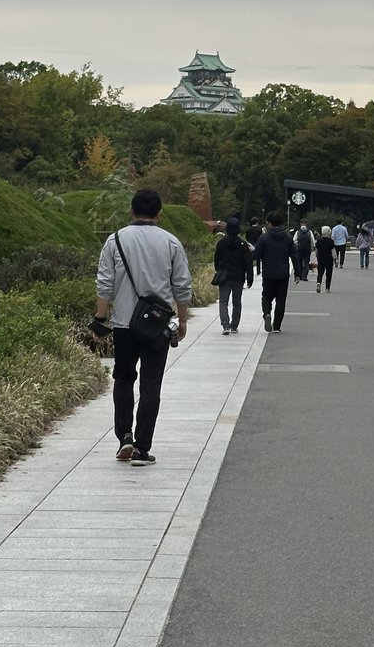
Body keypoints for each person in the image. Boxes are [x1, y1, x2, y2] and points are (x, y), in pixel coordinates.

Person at [93, 189, 192, 465]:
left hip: (124, 324)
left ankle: (124, 435)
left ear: (131, 211)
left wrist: (101, 319)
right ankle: (141, 448)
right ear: (159, 213)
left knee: (123, 378)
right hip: (157, 325)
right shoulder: (171, 242)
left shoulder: (115, 240)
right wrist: (182, 320)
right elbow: (182, 286)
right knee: (151, 384)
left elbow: (104, 283)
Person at [254, 211, 299, 333]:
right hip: (283, 273)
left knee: (266, 296)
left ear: (269, 223)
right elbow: (294, 255)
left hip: (268, 272)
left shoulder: (264, 237)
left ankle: (267, 313)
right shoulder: (288, 237)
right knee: (281, 299)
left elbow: (257, 255)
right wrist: (297, 272)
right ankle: (277, 326)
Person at [214, 217, 254, 334]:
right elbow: (248, 263)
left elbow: (216, 259)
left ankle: (225, 325)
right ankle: (234, 325)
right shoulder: (243, 245)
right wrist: (250, 278)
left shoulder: (221, 243)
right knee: (237, 302)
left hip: (224, 275)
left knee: (223, 301)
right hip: (238, 276)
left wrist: (218, 270)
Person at [314, 226, 336, 293]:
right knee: (328, 273)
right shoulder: (331, 241)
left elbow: (316, 251)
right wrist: (335, 259)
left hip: (320, 258)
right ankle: (327, 288)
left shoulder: (319, 241)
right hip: (329, 259)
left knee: (320, 272)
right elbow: (333, 251)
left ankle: (318, 283)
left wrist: (317, 256)